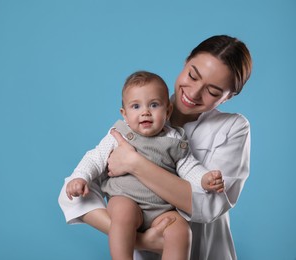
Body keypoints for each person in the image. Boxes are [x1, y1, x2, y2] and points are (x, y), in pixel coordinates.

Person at [59, 35, 252, 260]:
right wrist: (143, 240)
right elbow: (73, 194)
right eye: (192, 75)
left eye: (213, 91)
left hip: (204, 251)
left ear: (228, 97)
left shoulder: (233, 127)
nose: (194, 92)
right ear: (185, 62)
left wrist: (134, 163)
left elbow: (209, 205)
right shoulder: (134, 120)